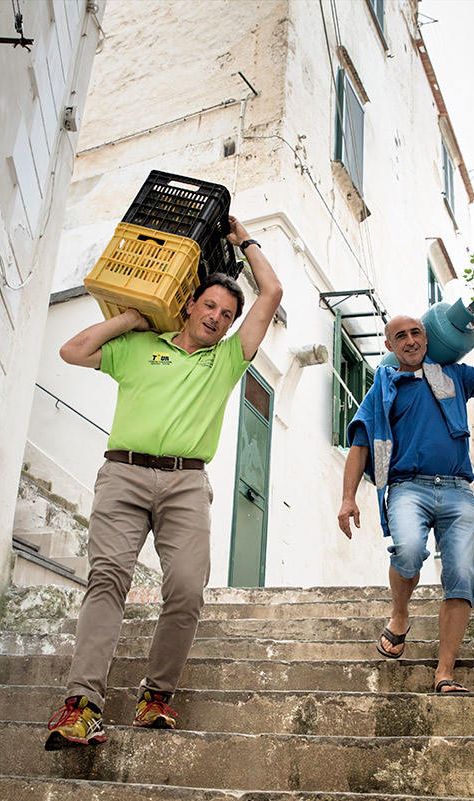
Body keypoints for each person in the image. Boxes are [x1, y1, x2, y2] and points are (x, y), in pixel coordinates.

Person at [45, 216, 282, 748]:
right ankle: (82, 704)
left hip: (185, 486)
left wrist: (242, 238)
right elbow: (73, 350)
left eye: (227, 315)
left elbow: (273, 291)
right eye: (210, 307)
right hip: (124, 475)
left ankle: (156, 695)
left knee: (186, 589)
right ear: (191, 306)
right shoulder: (139, 345)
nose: (217, 318)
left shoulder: (227, 360)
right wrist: (130, 316)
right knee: (107, 580)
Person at [336, 310, 474, 693]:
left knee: (463, 575)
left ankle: (445, 672)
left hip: (456, 489)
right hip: (407, 488)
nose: (410, 340)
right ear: (389, 346)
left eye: (416, 332)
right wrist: (348, 497)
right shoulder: (383, 385)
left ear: (427, 337)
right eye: (400, 336)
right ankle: (400, 615)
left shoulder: (454, 374)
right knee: (408, 551)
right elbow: (360, 444)